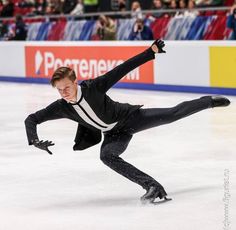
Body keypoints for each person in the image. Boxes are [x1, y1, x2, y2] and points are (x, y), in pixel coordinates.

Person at [24, 39, 230, 204]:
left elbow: (122, 69)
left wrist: (150, 53)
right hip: (114, 134)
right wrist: (34, 140)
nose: (63, 93)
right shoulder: (61, 106)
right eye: (59, 90)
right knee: (107, 156)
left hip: (129, 119)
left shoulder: (94, 88)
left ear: (75, 82)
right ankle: (152, 186)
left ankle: (207, 102)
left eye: (66, 88)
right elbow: (32, 119)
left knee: (171, 114)